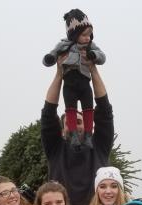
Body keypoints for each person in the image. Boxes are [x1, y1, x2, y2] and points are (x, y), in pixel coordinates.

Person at [41, 34, 114, 205]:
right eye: (69, 123)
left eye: (79, 121)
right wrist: (59, 73)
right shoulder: (55, 149)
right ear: (63, 129)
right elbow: (48, 113)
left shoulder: (99, 146)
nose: (75, 125)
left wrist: (93, 70)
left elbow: (104, 110)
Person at [43, 8, 106, 149]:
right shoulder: (64, 45)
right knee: (70, 110)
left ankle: (89, 135)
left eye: (90, 35)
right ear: (74, 34)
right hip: (69, 82)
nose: (87, 38)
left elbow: (102, 56)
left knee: (88, 109)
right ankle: (73, 136)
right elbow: (53, 54)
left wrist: (93, 56)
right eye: (84, 35)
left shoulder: (90, 46)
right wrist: (50, 59)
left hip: (84, 81)